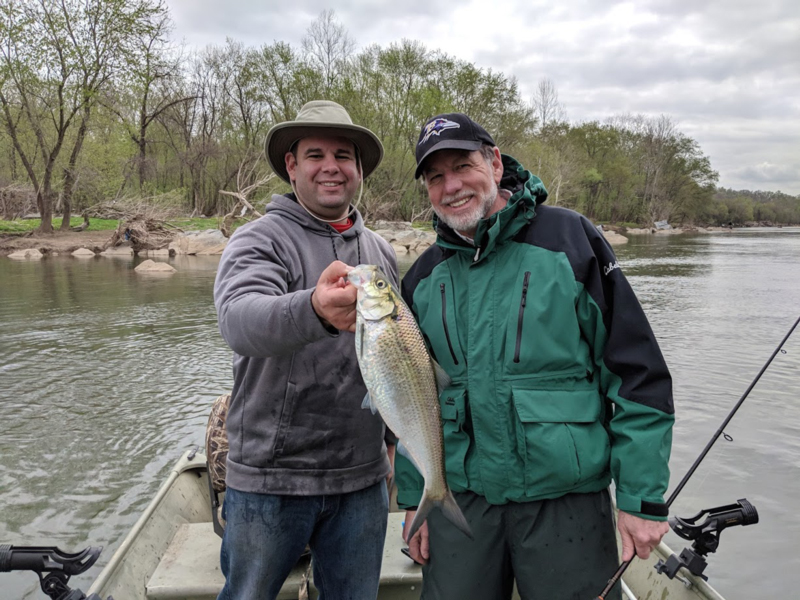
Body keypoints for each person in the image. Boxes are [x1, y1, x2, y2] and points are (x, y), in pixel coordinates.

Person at [395, 113, 675, 600]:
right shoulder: (421, 277)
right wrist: (411, 500)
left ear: (496, 164)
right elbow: (409, 399)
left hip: (566, 503)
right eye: (435, 177)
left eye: (463, 166)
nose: (452, 185)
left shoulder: (571, 241)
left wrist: (641, 498)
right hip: (460, 505)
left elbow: (637, 376)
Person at [213, 100, 398, 600]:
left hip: (362, 480)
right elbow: (239, 320)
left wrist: (391, 446)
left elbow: (398, 359)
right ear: (291, 166)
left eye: (344, 155)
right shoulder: (260, 239)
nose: (331, 166)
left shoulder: (381, 253)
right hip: (270, 482)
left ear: (359, 170)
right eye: (315, 154)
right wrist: (314, 309)